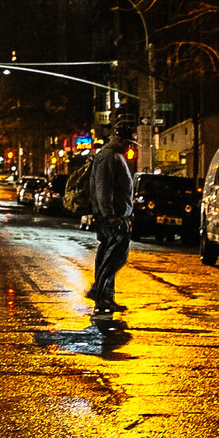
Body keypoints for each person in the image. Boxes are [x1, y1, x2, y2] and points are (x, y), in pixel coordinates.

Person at [86, 118, 138, 317]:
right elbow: (103, 188)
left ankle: (105, 295)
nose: (129, 146)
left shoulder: (113, 156)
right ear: (120, 139)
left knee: (112, 255)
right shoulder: (108, 157)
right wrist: (109, 215)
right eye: (128, 142)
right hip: (112, 217)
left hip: (116, 215)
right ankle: (100, 292)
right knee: (113, 256)